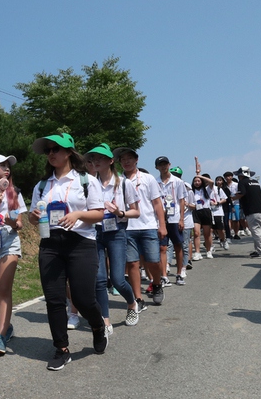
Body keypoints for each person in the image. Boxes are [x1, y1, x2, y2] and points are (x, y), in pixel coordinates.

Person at [29, 133, 106, 371]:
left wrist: (78, 215)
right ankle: (61, 348)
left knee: (83, 298)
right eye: (48, 150)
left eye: (56, 149)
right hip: (50, 244)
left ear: (70, 152)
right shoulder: (42, 185)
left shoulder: (87, 181)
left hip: (81, 242)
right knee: (54, 299)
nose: (51, 154)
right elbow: (34, 218)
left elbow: (99, 213)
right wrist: (33, 218)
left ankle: (97, 326)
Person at [89, 144, 141, 330]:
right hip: (95, 232)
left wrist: (120, 212)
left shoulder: (124, 184)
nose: (96, 161)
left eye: (100, 158)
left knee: (118, 279)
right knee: (100, 279)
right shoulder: (89, 183)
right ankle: (105, 319)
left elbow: (136, 212)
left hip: (117, 232)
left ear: (111, 161)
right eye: (94, 158)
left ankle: (132, 303)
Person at [114, 147, 167, 305]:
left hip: (148, 225)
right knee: (132, 263)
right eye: (123, 159)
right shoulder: (117, 181)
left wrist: (162, 225)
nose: (126, 161)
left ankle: (157, 284)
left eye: (129, 158)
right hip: (127, 226)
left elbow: (157, 203)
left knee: (153, 261)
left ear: (136, 160)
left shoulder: (147, 178)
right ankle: (138, 298)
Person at [0, 153, 26, 355]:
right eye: (2, 165)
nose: (7, 168)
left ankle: (0, 336)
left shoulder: (13, 193)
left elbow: (19, 224)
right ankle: (7, 326)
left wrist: (12, 222)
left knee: (3, 287)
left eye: (8, 165)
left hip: (9, 240)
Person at [155, 156, 186, 285]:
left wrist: (182, 219)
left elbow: (182, 200)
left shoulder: (178, 182)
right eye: (160, 165)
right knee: (162, 247)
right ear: (157, 167)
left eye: (165, 164)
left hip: (174, 218)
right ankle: (164, 276)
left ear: (169, 164)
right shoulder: (155, 182)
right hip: (160, 219)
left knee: (178, 246)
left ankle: (179, 274)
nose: (163, 167)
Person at [233, 166, 261, 258]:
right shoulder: (255, 182)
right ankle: (258, 250)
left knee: (256, 230)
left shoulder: (242, 182)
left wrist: (231, 198)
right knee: (258, 230)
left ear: (241, 175)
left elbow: (241, 193)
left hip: (252, 209)